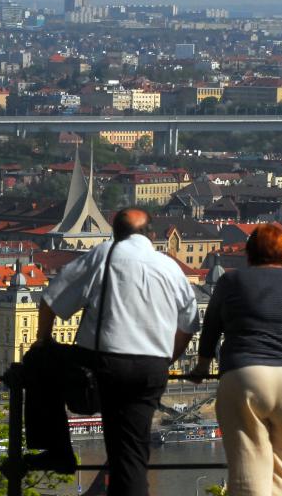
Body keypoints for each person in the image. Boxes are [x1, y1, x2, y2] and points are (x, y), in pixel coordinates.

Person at [31, 207, 199, 496]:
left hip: (104, 366)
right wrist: (166, 359)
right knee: (130, 456)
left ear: (115, 232)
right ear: (151, 235)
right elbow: (189, 324)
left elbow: (51, 300)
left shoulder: (105, 254)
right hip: (151, 369)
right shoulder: (170, 266)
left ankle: (57, 450)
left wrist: (43, 341)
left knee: (37, 361)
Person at [188, 224, 282, 496]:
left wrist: (200, 368)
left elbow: (210, 328)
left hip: (246, 376)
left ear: (248, 254)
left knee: (248, 472)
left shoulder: (230, 281)